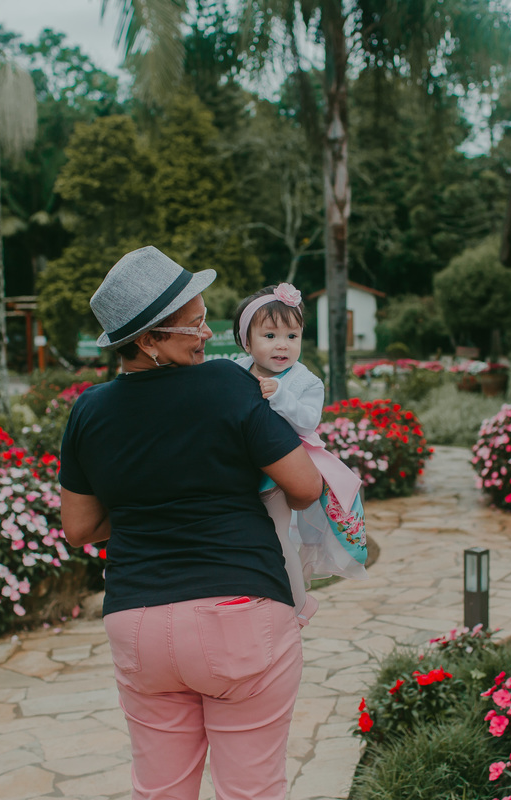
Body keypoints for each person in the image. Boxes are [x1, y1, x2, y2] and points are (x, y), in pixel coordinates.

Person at [59, 246, 323, 800]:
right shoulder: (228, 387)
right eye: (193, 325)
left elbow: (81, 528)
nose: (206, 335)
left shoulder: (89, 410)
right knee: (249, 791)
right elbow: (304, 487)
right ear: (148, 339)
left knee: (160, 792)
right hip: (239, 612)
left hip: (138, 625)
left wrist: (147, 506)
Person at [232, 284, 367, 624]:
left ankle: (299, 602)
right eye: (270, 335)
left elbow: (308, 422)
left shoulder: (304, 381)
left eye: (292, 336)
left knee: (278, 538)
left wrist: (280, 396)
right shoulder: (236, 370)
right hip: (240, 470)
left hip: (279, 473)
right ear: (246, 341)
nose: (283, 345)